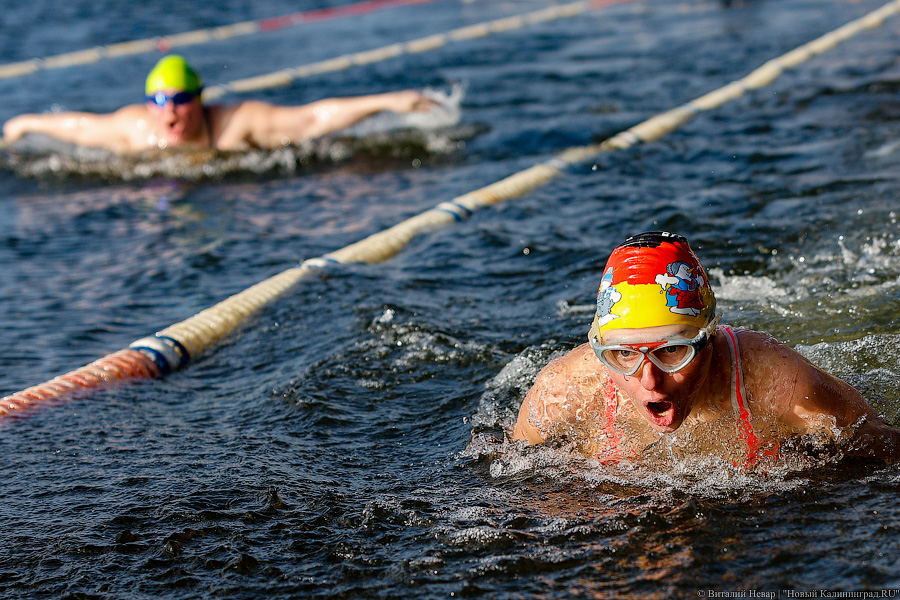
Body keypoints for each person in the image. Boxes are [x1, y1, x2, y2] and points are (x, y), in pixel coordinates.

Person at [513, 231, 900, 466]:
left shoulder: (774, 381)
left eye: (672, 351)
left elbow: (883, 445)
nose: (649, 381)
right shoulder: (564, 391)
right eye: (624, 354)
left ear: (709, 341)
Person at [2, 55, 437, 154]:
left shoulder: (238, 122)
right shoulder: (136, 130)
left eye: (181, 100)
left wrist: (390, 101)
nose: (170, 112)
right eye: (159, 102)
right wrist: (25, 124)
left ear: (201, 99)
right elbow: (78, 128)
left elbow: (312, 118)